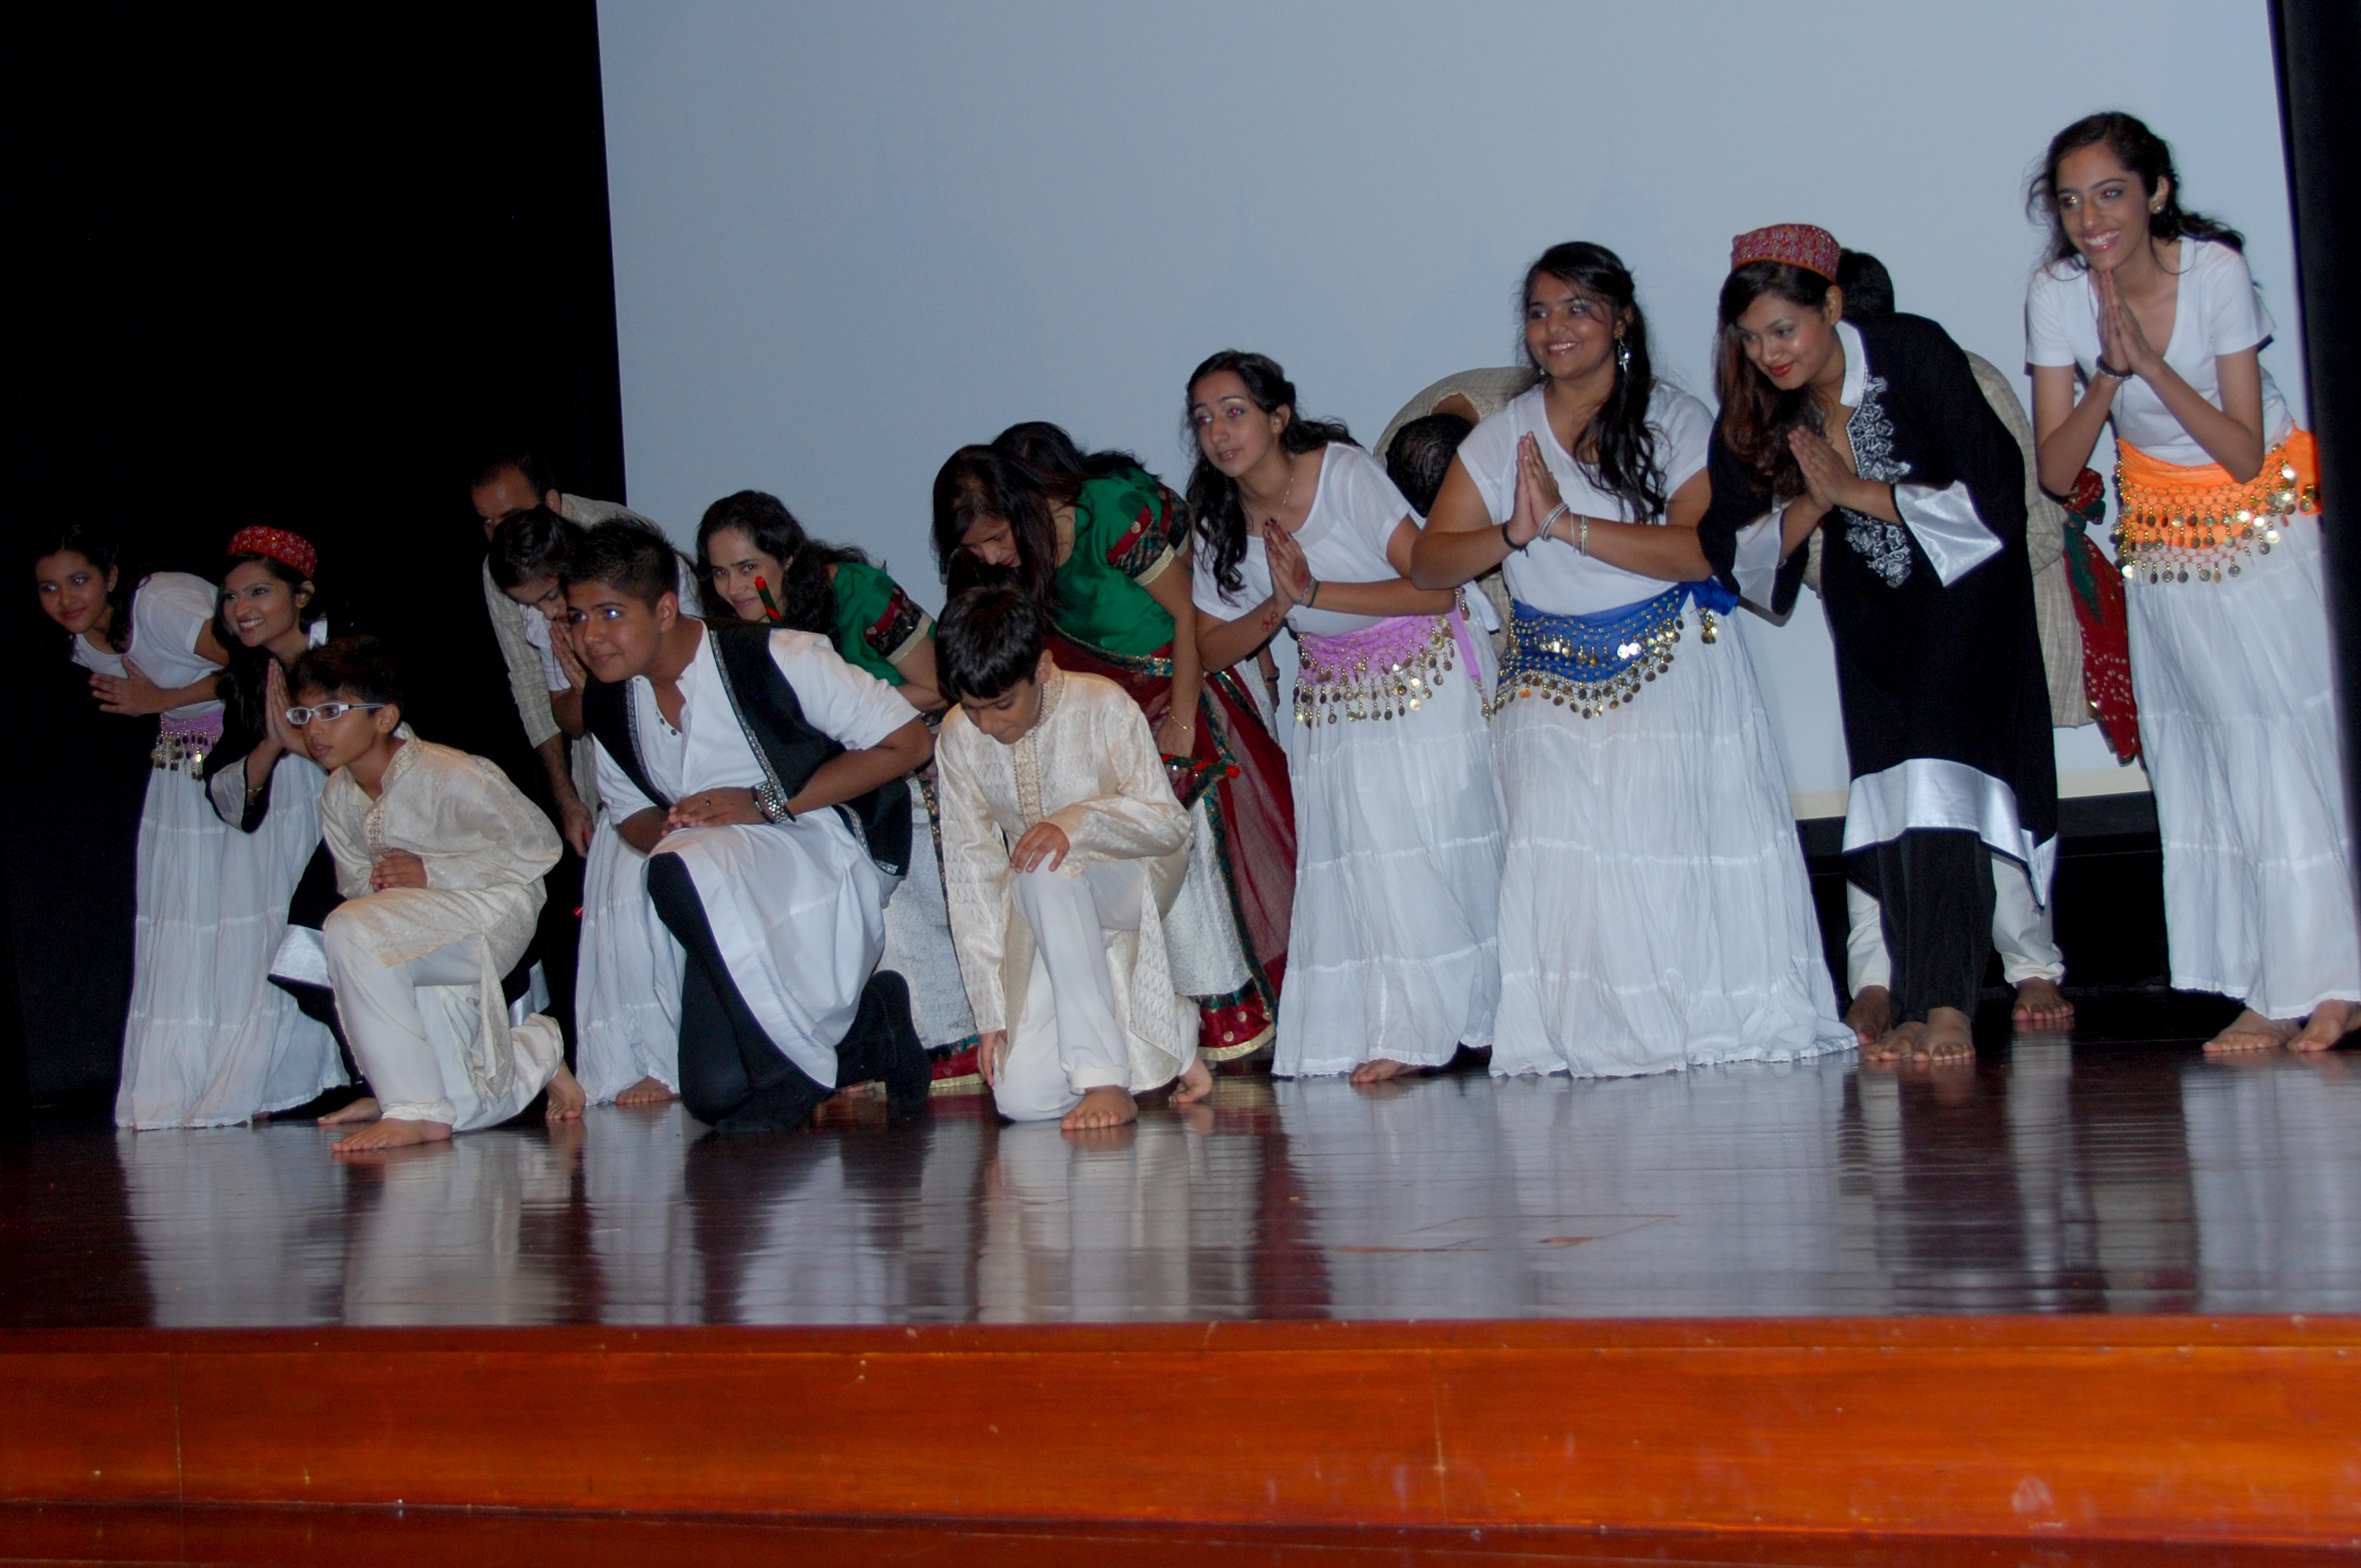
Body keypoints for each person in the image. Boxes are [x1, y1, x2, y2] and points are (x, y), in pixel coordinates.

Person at [1409, 242, 1850, 1077]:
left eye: (1577, 308)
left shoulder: (1673, 418)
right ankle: (1593, 1034)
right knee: (1566, 870)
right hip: (1544, 677)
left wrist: (1563, 525)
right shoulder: (1506, 434)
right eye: (1538, 313)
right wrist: (1508, 531)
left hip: (1665, 665)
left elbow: (1698, 553)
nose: (1555, 329)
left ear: (1620, 321)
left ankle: (1685, 1025)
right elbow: (1430, 563)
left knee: (1661, 855)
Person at [2025, 112, 2354, 1054]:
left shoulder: (2209, 272)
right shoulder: (2054, 293)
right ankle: (2269, 976)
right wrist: (2103, 376)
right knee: (2211, 763)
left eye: (2110, 193)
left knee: (2287, 749)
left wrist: (2149, 364)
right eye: (2071, 200)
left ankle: (2330, 979)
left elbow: (2243, 449)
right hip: (2164, 542)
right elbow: (2055, 471)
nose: (2090, 218)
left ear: (2155, 192)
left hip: (2260, 527)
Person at [1697, 223, 2053, 1068]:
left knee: (1936, 784)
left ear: (1829, 304)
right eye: (1749, 339)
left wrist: (1857, 488)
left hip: (1965, 605)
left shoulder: (1911, 350)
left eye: (1782, 329)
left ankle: (1944, 1006)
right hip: (1869, 615)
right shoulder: (1758, 409)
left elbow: (1998, 495)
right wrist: (1816, 505)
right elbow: (1731, 549)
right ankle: (1914, 990)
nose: (1767, 354)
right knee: (1892, 797)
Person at [932, 430, 1296, 1067]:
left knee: (1193, 828)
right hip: (1104, 711)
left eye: (997, 538)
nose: (991, 557)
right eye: (975, 547)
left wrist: (1183, 721)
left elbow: (1188, 618)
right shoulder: (1012, 566)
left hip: (1178, 685)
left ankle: (1228, 1020)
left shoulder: (1111, 517)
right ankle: (1151, 1027)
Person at [1188, 351, 1504, 1080]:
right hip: (1334, 694)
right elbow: (1209, 647)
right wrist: (1282, 605)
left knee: (1434, 846)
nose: (1219, 432)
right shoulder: (1218, 522)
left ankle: (1474, 1016)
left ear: (1278, 417)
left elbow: (1432, 589)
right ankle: (1402, 1022)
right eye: (1204, 419)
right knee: (1366, 857)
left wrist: (1316, 591)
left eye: (1235, 412)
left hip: (1425, 671)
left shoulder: (1343, 473)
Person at [562, 523, 935, 1132]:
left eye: (609, 613)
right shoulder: (608, 701)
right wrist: (677, 824)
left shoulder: (773, 655)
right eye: (577, 618)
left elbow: (908, 741)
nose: (591, 636)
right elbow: (629, 812)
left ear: (663, 609)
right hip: (716, 881)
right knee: (717, 1099)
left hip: (820, 848)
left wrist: (764, 802)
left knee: (680, 865)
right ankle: (876, 1028)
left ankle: (798, 1068)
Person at [1825, 250, 2080, 1038]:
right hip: (1883, 638)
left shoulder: (1957, 375)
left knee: (1984, 792)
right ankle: (1875, 978)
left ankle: (2029, 963)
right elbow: (1809, 539)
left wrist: (1958, 591)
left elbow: (2027, 513)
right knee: (1882, 799)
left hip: (1978, 622)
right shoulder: (1800, 402)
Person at [33, 527, 334, 1127]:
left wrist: (161, 699)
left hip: (258, 746)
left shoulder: (161, 604)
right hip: (183, 765)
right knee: (193, 915)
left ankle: (274, 1073)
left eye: (79, 580)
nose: (66, 599)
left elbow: (246, 663)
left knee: (256, 907)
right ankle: (205, 1069)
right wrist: (166, 709)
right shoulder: (84, 645)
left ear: (111, 577)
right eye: (49, 588)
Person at [696, 490, 979, 1088]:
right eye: (719, 573)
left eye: (749, 568)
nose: (733, 588)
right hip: (815, 783)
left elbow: (941, 684)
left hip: (907, 763)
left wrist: (846, 724)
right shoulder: (727, 633)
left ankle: (948, 1044)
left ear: (788, 558)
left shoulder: (854, 592)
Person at [935, 581, 1213, 1128]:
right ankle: (1171, 1034)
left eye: (1002, 704)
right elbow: (971, 875)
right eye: (972, 709)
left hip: (1134, 879)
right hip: (1043, 904)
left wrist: (1076, 824)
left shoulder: (1101, 703)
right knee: (1022, 1101)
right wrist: (991, 1014)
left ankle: (1104, 1078)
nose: (990, 725)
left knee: (1044, 866)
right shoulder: (958, 739)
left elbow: (1167, 824)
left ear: (1040, 668)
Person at [286, 636, 579, 1152]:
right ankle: (535, 1049)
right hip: (414, 929)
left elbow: (538, 849)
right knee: (464, 1110)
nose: (315, 728)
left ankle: (410, 1107)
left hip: (493, 909)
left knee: (349, 929)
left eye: (331, 711)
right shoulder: (337, 794)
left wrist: (432, 873)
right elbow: (357, 883)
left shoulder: (452, 774)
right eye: (303, 714)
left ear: (383, 717)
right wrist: (389, 887)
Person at [489, 508, 680, 1108]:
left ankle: (671, 1059)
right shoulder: (554, 623)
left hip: (669, 759)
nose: (548, 614)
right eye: (540, 606)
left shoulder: (624, 600)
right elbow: (569, 718)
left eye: (551, 596)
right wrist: (581, 688)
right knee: (616, 922)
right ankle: (626, 1059)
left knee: (658, 914)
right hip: (615, 774)